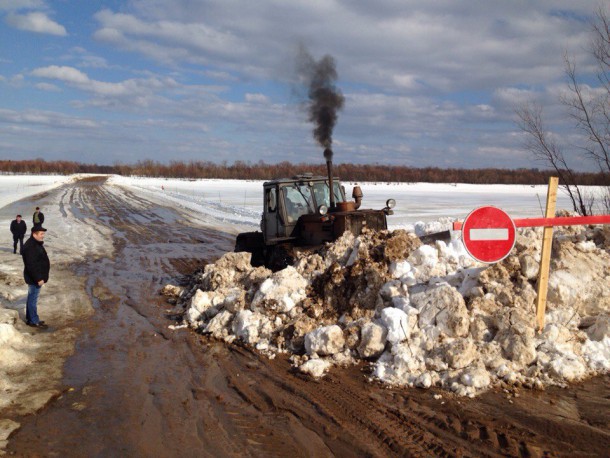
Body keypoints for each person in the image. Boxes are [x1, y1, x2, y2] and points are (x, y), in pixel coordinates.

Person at [21, 224, 50, 328]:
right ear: (34, 234)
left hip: (35, 277)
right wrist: (38, 278)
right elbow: (31, 265)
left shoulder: (35, 244)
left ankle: (31, 319)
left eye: (43, 234)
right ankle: (34, 320)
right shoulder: (31, 246)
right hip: (35, 278)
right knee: (33, 299)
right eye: (41, 234)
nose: (43, 236)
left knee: (31, 298)